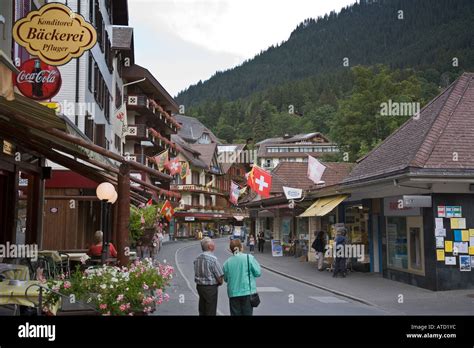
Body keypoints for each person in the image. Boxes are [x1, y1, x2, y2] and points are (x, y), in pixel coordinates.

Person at [223, 239, 261, 316]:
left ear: (231, 249)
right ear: (241, 247)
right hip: (247, 292)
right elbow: (258, 273)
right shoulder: (249, 258)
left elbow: (226, 279)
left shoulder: (227, 263)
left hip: (233, 294)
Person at [193, 237, 224, 316]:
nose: (214, 244)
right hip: (210, 287)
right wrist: (220, 282)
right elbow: (219, 276)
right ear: (210, 246)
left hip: (199, 286)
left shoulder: (197, 258)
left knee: (202, 309)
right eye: (213, 243)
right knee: (210, 310)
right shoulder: (213, 259)